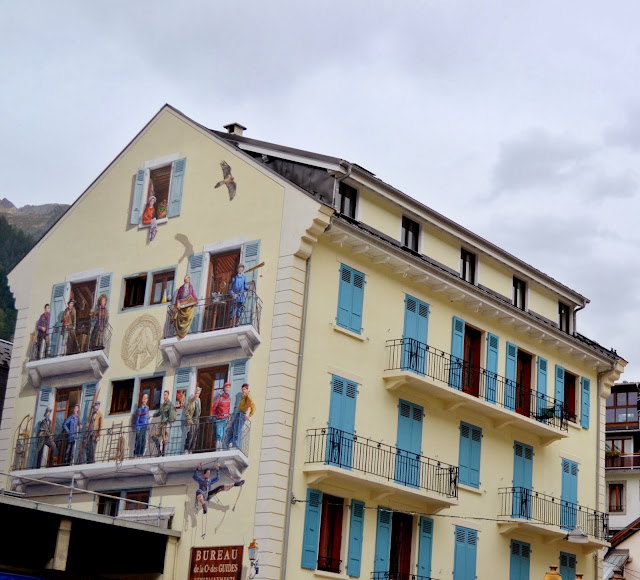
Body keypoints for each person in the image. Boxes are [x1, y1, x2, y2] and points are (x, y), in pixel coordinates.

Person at [228, 383, 256, 449]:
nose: (243, 391)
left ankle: (235, 445)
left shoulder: (248, 397)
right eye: (242, 389)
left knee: (238, 430)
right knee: (234, 428)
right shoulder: (243, 396)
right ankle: (231, 442)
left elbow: (253, 407)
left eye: (244, 389)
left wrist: (249, 416)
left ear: (247, 389)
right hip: (238, 413)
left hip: (242, 414)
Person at [153, 390, 175, 456]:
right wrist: (152, 415)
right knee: (154, 436)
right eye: (164, 395)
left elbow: (171, 416)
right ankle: (159, 451)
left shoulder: (170, 405)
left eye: (165, 395)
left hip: (166, 424)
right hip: (162, 423)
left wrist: (168, 423)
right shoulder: (163, 405)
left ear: (168, 395)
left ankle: (163, 454)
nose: (164, 396)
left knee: (164, 439)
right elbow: (159, 413)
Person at [211, 382, 232, 451]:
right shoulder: (220, 397)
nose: (227, 389)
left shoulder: (229, 398)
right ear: (224, 388)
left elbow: (228, 409)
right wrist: (217, 416)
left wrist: (228, 417)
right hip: (219, 419)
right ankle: (218, 449)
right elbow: (213, 408)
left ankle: (221, 449)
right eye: (226, 387)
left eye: (229, 387)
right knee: (219, 434)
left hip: (225, 419)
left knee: (223, 435)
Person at [184, 388, 201, 453]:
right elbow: (186, 412)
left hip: (197, 418)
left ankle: (191, 449)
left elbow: (199, 410)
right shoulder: (191, 401)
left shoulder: (199, 400)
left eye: (198, 393)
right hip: (192, 419)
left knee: (195, 434)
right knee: (191, 433)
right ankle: (187, 448)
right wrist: (189, 419)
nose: (197, 395)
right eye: (196, 393)